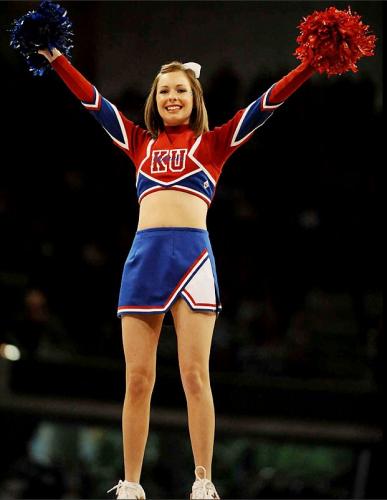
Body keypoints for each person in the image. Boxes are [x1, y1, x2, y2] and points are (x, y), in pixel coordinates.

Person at [38, 46, 314, 499]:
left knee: (194, 376)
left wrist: (308, 65)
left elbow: (268, 103)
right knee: (138, 379)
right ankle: (130, 483)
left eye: (180, 90)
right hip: (145, 259)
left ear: (194, 97)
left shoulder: (215, 142)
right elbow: (92, 101)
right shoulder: (137, 141)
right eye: (164, 90)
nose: (171, 96)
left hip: (192, 260)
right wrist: (55, 59)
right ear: (154, 98)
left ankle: (203, 480)